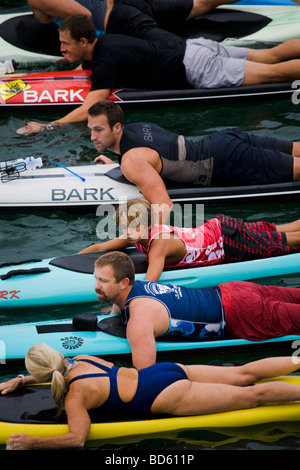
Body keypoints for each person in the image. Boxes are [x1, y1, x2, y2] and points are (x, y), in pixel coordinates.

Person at [16, 14, 300, 135]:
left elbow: (93, 105)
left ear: (83, 43)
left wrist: (51, 125)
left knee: (274, 75)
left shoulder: (106, 60)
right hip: (194, 47)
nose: (61, 48)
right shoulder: (108, 42)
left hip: (196, 68)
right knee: (271, 55)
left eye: (65, 43)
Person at [2, 343, 300, 449]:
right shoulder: (82, 358)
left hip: (165, 394)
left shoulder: (76, 396)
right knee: (244, 375)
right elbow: (55, 371)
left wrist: (33, 441)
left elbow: (78, 438)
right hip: (162, 371)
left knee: (254, 396)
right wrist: (21, 379)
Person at [93, 251, 300, 369]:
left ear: (124, 283)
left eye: (102, 281)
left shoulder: (139, 321)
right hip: (232, 290)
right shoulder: (135, 288)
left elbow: (147, 377)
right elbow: (119, 303)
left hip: (241, 314)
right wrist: (114, 311)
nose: (96, 286)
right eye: (96, 278)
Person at [79, 197, 300, 283]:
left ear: (146, 226)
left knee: (288, 242)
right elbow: (100, 246)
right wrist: (64, 260)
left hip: (228, 242)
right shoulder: (136, 235)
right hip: (218, 227)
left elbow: (149, 283)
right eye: (123, 228)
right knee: (279, 230)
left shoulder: (159, 244)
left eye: (130, 228)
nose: (126, 232)